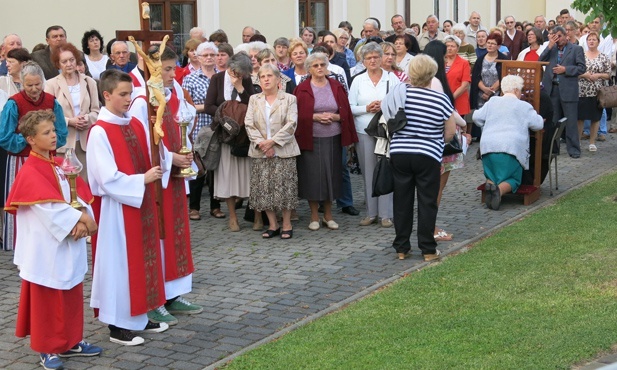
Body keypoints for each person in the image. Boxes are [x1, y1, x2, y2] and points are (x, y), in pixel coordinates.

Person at [6, 109, 102, 370]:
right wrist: (81, 222)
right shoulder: (30, 171)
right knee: (47, 297)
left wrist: (83, 218)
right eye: (46, 133)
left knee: (71, 291)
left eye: (53, 131)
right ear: (31, 139)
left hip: (67, 241)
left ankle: (71, 341)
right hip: (46, 247)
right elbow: (46, 208)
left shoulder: (59, 164)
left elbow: (76, 195)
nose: (53, 136)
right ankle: (47, 348)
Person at [88, 69, 170, 346]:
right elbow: (105, 177)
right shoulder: (99, 132)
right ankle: (118, 324)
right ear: (106, 95)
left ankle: (138, 317)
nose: (128, 99)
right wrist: (141, 180)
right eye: (122, 94)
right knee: (119, 265)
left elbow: (150, 154)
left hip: (139, 203)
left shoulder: (132, 124)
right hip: (116, 211)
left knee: (142, 260)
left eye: (130, 94)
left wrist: (167, 162)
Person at [129, 47, 202, 326]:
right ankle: (154, 297)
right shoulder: (141, 101)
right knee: (158, 237)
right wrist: (169, 157)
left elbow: (185, 122)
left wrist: (184, 152)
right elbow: (139, 139)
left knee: (175, 234)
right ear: (152, 68)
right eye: (167, 69)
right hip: (156, 178)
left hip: (175, 176)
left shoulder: (177, 92)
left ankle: (173, 294)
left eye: (174, 68)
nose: (173, 74)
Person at [381, 55, 456, 261]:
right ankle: (428, 249)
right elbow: (449, 132)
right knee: (427, 200)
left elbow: (389, 119)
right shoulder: (440, 99)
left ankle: (401, 247)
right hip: (427, 154)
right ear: (431, 75)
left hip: (400, 152)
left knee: (402, 199)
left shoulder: (400, 95)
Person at [0, 62, 68, 251]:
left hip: (47, 160)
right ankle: (18, 245)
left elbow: (61, 133)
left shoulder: (52, 101)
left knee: (47, 200)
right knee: (22, 203)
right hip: (21, 160)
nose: (34, 89)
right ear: (22, 83)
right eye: (29, 85)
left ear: (43, 82)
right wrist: (31, 141)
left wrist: (46, 142)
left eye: (37, 84)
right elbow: (5, 137)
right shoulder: (14, 103)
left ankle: (48, 240)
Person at [294, 52, 358, 231]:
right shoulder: (303, 88)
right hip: (310, 138)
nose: (320, 68)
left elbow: (346, 111)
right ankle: (314, 216)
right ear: (309, 69)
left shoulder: (336, 86)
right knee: (312, 177)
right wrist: (314, 117)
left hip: (333, 137)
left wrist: (337, 117)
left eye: (322, 64)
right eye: (315, 65)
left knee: (332, 175)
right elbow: (296, 114)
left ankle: (328, 215)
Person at [245, 64, 299, 239]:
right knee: (264, 189)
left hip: (283, 149)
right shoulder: (254, 99)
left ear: (278, 79)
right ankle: (273, 224)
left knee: (285, 188)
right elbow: (249, 124)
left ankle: (286, 224)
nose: (266, 79)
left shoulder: (289, 99)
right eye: (262, 76)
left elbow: (292, 124)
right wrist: (262, 144)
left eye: (270, 75)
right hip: (260, 151)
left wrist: (272, 142)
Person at [348, 42, 399, 228]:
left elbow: (401, 103)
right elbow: (350, 107)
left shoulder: (391, 78)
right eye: (368, 58)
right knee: (369, 171)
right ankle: (371, 213)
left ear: (382, 58)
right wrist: (366, 108)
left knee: (385, 169)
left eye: (376, 57)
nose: (372, 60)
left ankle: (386, 214)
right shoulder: (358, 80)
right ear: (363, 61)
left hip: (385, 131)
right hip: (364, 129)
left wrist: (384, 106)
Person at [473, 75, 543, 210]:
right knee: (513, 178)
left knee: (491, 173)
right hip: (511, 147)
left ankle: (491, 185)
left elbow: (476, 117)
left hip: (488, 145)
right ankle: (498, 190)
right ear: (516, 90)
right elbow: (538, 124)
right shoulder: (523, 106)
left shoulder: (492, 102)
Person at [204, 52, 256, 232]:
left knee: (247, 176)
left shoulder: (246, 81)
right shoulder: (218, 79)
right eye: (238, 73)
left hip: (243, 136)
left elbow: (253, 104)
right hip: (225, 135)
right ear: (231, 67)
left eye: (244, 74)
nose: (240, 76)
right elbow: (208, 105)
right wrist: (227, 116)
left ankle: (255, 215)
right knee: (227, 177)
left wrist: (240, 87)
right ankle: (233, 216)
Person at [424, 40, 470, 241]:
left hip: (426, 141)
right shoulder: (436, 82)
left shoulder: (416, 80)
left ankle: (428, 225)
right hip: (440, 141)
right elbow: (448, 112)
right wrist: (463, 123)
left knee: (430, 188)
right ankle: (431, 227)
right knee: (436, 189)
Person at [44, 42, 100, 182]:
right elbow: (47, 114)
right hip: (63, 144)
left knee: (86, 184)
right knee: (66, 184)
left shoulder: (90, 82)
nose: (69, 64)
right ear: (58, 64)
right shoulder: (51, 85)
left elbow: (96, 111)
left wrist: (87, 118)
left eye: (71, 60)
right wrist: (70, 121)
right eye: (64, 61)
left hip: (86, 143)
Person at [183, 41, 223, 220]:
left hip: (218, 128)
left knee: (216, 168)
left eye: (212, 55)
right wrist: (207, 107)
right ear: (198, 57)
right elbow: (186, 105)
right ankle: (194, 207)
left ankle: (216, 206)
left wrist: (211, 107)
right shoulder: (190, 78)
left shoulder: (222, 77)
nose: (209, 58)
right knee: (198, 168)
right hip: (198, 127)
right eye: (205, 55)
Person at [540, 26, 586, 158]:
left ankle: (574, 150)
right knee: (553, 121)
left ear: (566, 36)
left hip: (568, 90)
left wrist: (565, 69)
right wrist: (549, 45)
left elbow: (581, 68)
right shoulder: (551, 49)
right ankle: (554, 149)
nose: (558, 39)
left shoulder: (576, 49)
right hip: (552, 89)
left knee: (571, 121)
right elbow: (540, 61)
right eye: (555, 36)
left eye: (560, 36)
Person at [577, 32, 611, 153]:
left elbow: (608, 75)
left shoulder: (603, 57)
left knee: (595, 117)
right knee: (580, 117)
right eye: (589, 39)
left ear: (598, 42)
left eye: (594, 40)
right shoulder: (581, 56)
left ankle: (592, 142)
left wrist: (598, 75)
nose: (591, 41)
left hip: (597, 92)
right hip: (582, 90)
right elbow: (575, 71)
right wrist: (584, 75)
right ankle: (578, 141)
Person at [444, 36, 471, 117]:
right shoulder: (440, 61)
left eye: (452, 46)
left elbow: (465, 85)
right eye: (447, 46)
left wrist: (451, 98)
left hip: (458, 101)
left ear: (458, 49)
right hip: (442, 101)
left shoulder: (464, 63)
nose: (449, 48)